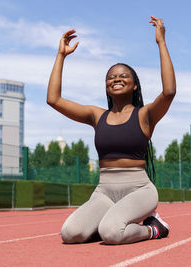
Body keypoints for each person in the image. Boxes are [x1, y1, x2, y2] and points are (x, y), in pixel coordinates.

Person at [47, 16, 176, 245]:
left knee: (112, 233)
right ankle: (106, 222)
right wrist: (61, 55)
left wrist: (161, 43)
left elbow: (168, 92)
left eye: (123, 76)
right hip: (104, 191)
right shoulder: (97, 116)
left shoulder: (145, 115)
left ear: (134, 84)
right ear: (106, 86)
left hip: (139, 189)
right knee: (70, 234)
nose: (116, 79)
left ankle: (154, 228)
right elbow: (54, 99)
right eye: (111, 77)